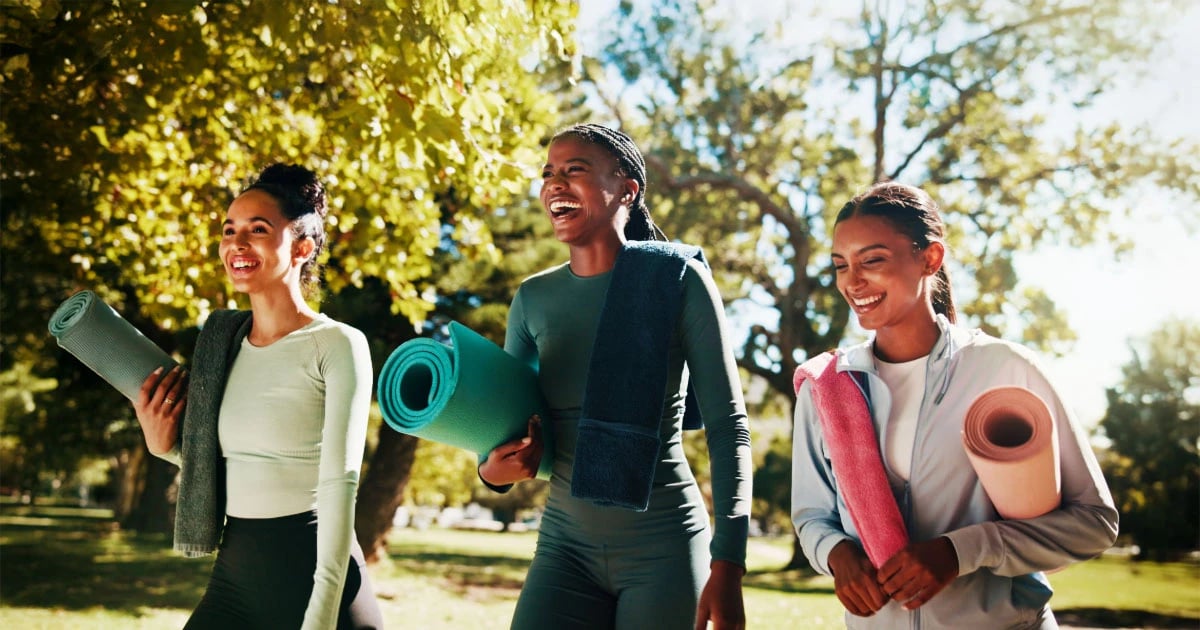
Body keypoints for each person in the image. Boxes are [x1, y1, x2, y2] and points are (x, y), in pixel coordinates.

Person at [790, 181, 1119, 629]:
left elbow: (1093, 522)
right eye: (840, 265)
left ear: (930, 258)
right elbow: (811, 515)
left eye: (873, 260)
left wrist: (959, 551)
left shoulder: (1004, 367)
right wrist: (836, 553)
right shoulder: (825, 387)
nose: (852, 280)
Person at [478, 123, 753, 630]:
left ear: (627, 188)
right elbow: (502, 428)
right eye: (548, 174)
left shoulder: (678, 281)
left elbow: (728, 425)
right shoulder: (532, 299)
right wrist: (492, 472)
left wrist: (729, 561)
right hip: (563, 548)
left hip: (665, 549)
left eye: (574, 171)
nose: (555, 184)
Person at [132, 163, 383, 629]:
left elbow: (339, 487)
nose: (236, 244)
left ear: (303, 247)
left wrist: (320, 618)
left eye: (258, 229)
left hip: (318, 581)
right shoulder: (222, 345)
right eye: (229, 231)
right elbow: (231, 465)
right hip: (236, 578)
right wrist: (162, 445)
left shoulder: (337, 344)